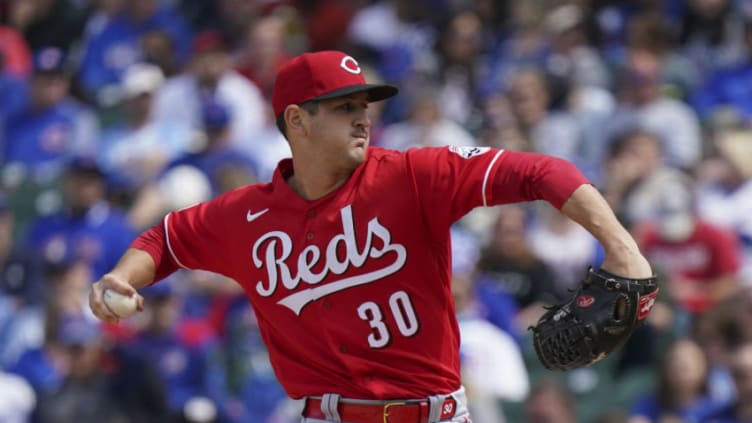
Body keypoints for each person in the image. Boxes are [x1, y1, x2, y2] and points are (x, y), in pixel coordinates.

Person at [89, 50, 653, 423]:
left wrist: (622, 248)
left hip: (433, 414)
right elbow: (165, 238)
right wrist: (121, 275)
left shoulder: (413, 176)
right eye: (344, 108)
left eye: (365, 107)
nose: (364, 118)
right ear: (296, 122)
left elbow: (542, 172)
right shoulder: (246, 218)